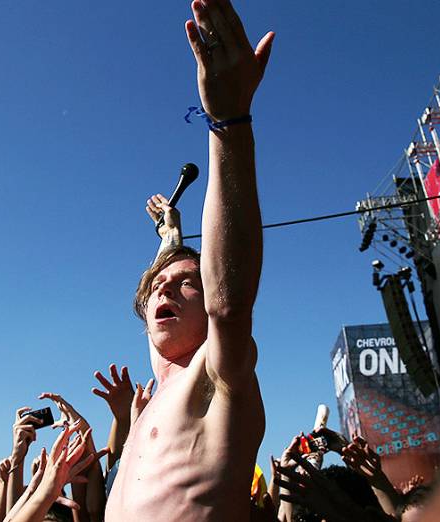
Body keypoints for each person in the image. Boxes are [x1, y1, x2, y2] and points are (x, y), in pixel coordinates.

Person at [104, 0, 274, 520]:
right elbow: (163, 282)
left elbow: (227, 300)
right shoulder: (161, 384)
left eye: (186, 284)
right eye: (158, 286)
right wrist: (169, 238)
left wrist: (227, 121)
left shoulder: (219, 372)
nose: (163, 291)